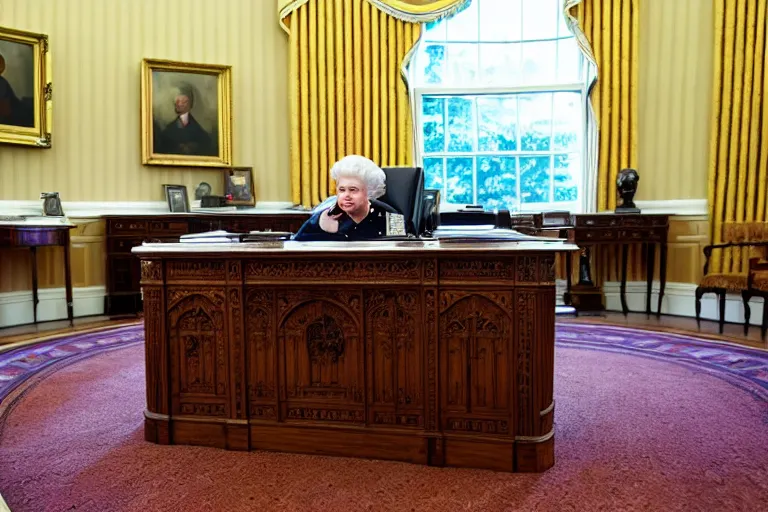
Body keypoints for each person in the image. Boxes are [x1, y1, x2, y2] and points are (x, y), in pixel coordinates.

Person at [293, 155, 401, 241]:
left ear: (369, 191)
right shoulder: (321, 218)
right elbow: (296, 246)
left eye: (353, 190)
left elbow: (404, 250)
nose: (346, 196)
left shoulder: (391, 216)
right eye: (342, 190)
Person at [155, 86, 217, 156]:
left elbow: (206, 144)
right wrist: (177, 147)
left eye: (183, 102)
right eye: (177, 101)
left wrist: (193, 147)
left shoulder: (198, 128)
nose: (179, 104)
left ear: (190, 104)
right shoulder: (168, 130)